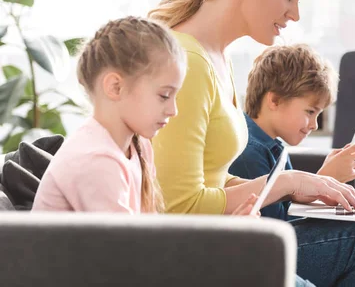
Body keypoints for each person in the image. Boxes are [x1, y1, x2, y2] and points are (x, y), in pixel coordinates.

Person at [149, 0, 355, 286]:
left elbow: (209, 180)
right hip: (196, 255)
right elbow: (179, 208)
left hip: (222, 239)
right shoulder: (189, 64)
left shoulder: (215, 57)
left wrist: (300, 182)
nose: (294, 14)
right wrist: (285, 182)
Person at [32, 16, 259, 216]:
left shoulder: (138, 147)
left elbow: (147, 240)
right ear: (115, 87)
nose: (174, 110)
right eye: (164, 95)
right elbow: (132, 258)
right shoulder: (97, 162)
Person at [229, 44, 355, 287]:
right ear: (274, 100)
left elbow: (288, 208)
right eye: (310, 111)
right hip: (268, 252)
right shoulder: (250, 153)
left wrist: (326, 182)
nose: (314, 124)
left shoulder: (272, 146)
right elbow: (277, 229)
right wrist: (326, 178)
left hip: (281, 243)